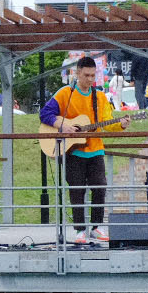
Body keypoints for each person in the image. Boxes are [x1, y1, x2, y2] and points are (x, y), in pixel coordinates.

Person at [40, 55, 117, 243]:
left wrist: (121, 125)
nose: (90, 79)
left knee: (100, 187)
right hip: (73, 151)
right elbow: (45, 113)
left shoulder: (100, 96)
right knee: (76, 190)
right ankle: (80, 230)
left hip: (96, 149)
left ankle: (96, 227)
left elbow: (108, 122)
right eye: (86, 75)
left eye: (93, 75)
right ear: (77, 73)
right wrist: (63, 125)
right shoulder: (65, 93)